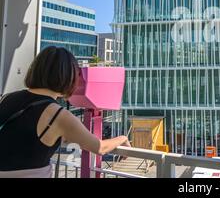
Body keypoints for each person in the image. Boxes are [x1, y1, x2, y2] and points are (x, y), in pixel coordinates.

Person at [0, 47, 131, 178]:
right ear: (69, 77)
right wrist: (123, 138)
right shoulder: (59, 115)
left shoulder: (6, 98)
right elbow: (100, 147)